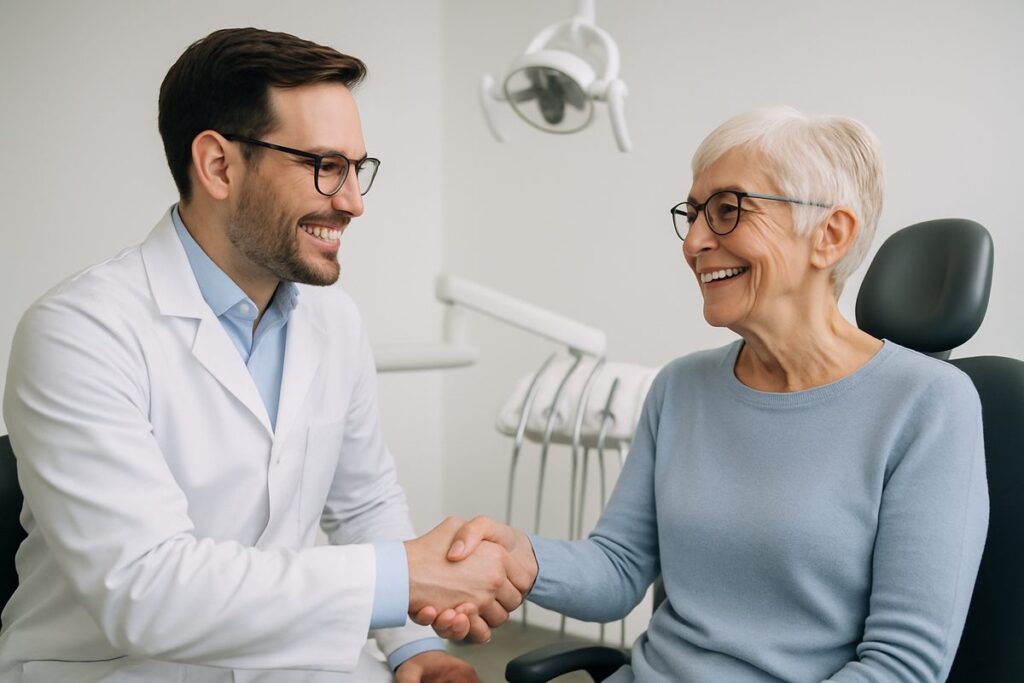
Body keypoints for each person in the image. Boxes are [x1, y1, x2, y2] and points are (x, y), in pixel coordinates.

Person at [0, 28, 530, 683]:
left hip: (289, 662)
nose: (354, 202)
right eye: (324, 166)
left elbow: (363, 504)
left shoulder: (333, 318)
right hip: (119, 669)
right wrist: (405, 573)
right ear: (219, 165)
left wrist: (413, 644)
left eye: (357, 168)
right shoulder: (78, 331)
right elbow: (148, 592)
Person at [421, 107, 990, 682]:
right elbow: (617, 569)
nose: (694, 243)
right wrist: (520, 555)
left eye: (726, 211)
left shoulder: (929, 405)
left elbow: (902, 666)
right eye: (692, 215)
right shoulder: (681, 387)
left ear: (830, 236)